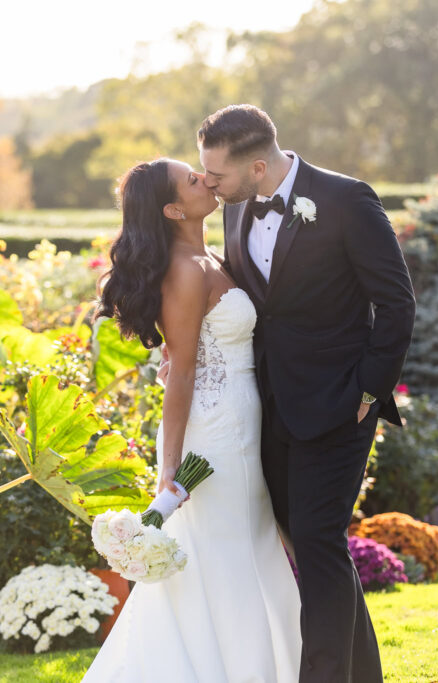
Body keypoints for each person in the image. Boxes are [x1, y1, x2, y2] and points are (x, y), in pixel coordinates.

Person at [197, 104, 416, 683]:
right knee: (309, 543)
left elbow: (396, 302)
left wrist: (368, 392)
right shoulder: (235, 210)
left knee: (319, 539)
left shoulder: (347, 200)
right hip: (267, 409)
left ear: (259, 168)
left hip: (342, 407)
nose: (209, 185)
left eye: (216, 175)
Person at [83, 157, 302, 682]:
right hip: (214, 436)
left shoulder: (207, 257)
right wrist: (170, 467)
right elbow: (180, 373)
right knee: (226, 559)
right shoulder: (185, 270)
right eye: (192, 178)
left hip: (241, 424)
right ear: (174, 208)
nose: (206, 179)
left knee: (244, 550)